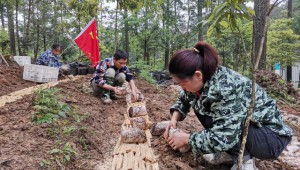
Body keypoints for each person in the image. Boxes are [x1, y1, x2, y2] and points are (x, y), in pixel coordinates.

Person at [164, 41, 293, 170]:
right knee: (203, 107)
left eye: (182, 84)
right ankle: (229, 154)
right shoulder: (202, 78)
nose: (182, 87)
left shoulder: (225, 88)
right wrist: (174, 118)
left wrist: (187, 139)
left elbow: (225, 135)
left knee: (217, 117)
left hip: (270, 138)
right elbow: (185, 98)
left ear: (198, 75)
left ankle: (244, 162)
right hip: (252, 131)